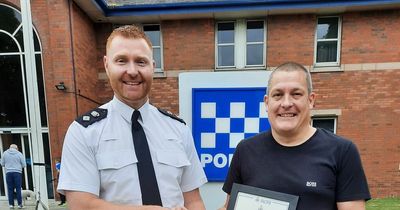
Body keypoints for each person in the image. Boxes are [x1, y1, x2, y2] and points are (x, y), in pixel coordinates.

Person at [57, 25, 207, 210]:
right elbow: (81, 205)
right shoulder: (83, 132)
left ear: (152, 66)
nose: (133, 71)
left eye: (141, 62)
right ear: (106, 64)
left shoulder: (178, 129)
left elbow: (193, 201)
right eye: (121, 61)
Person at [220, 62, 371, 210]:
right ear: (267, 103)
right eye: (278, 95)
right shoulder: (246, 150)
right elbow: (229, 206)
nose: (286, 103)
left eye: (296, 94)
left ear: (310, 100)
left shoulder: (342, 151)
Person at [1, 144, 26, 209]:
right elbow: (24, 164)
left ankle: (11, 205)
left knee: (10, 189)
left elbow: (2, 163)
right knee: (18, 189)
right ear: (16, 148)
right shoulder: (19, 154)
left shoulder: (5, 153)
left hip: (8, 173)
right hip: (17, 173)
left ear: (10, 148)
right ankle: (19, 204)